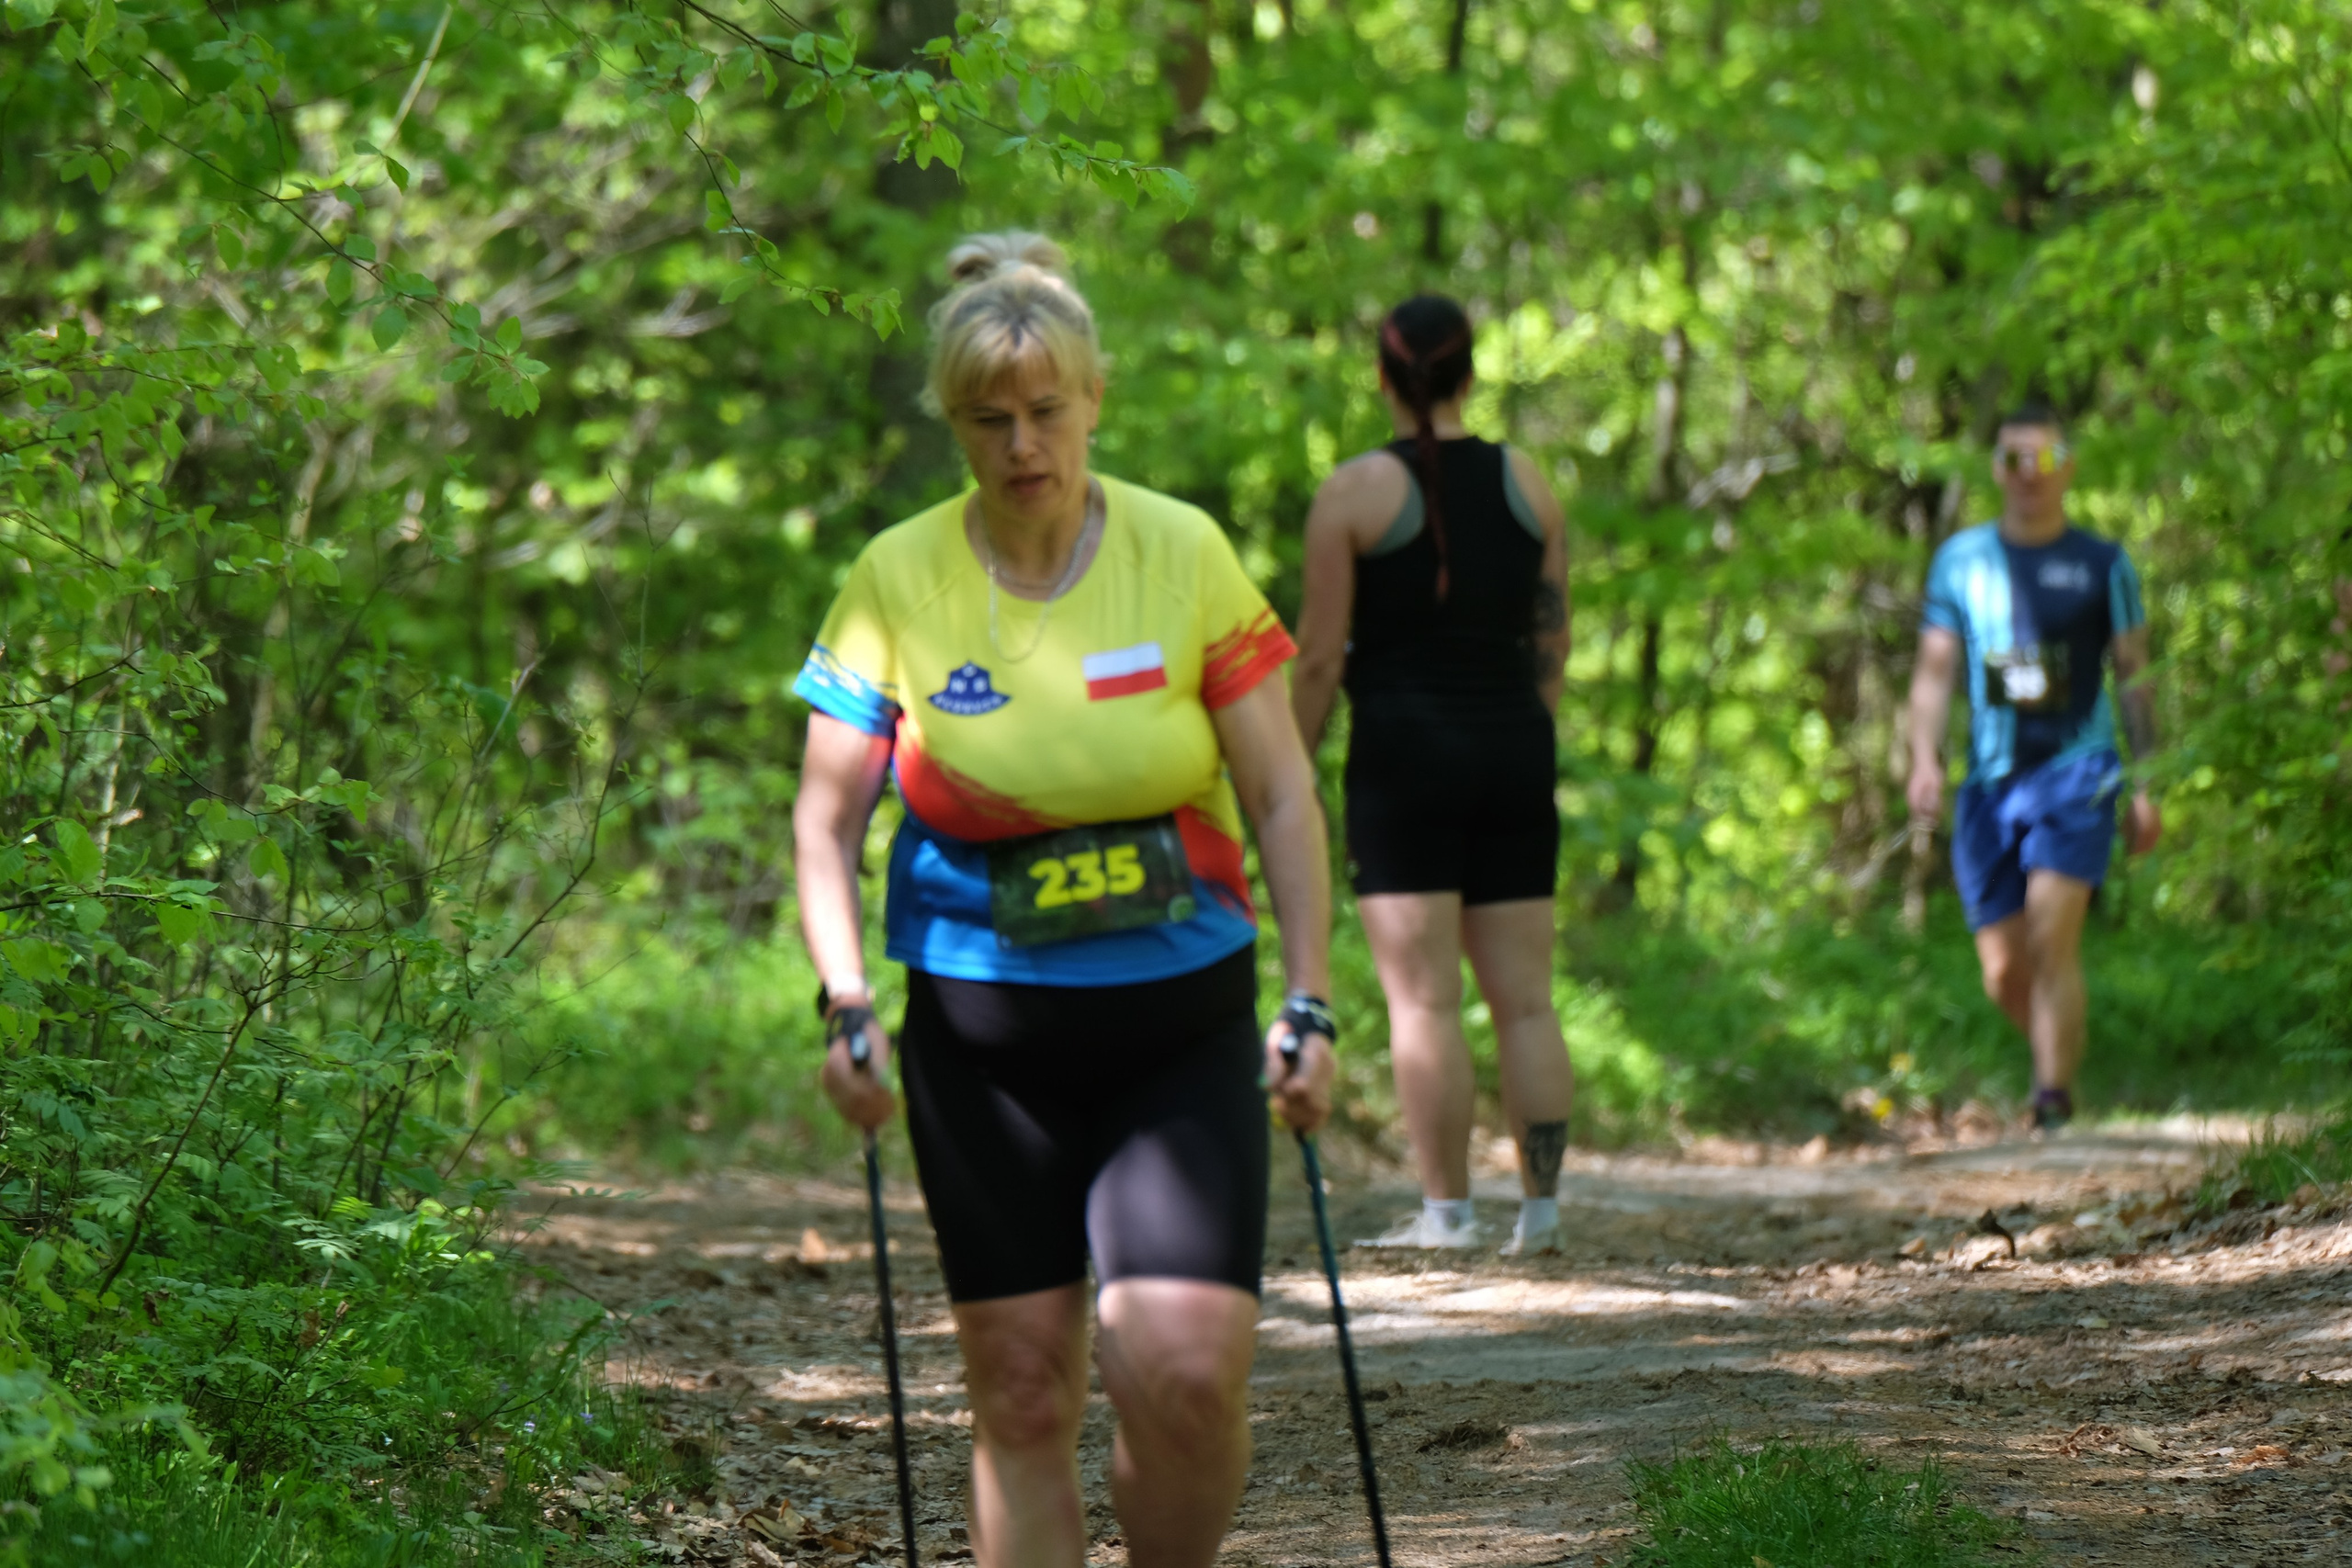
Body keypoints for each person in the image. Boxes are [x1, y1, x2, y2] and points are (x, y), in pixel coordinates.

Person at [790, 231, 1338, 1568]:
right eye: (989, 418)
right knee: (1025, 1390)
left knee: (1189, 1371)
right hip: (984, 1044)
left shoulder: (1182, 551)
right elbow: (824, 816)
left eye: (1046, 411)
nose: (1022, 442)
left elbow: (1277, 791)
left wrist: (1312, 997)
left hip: (1180, 1023)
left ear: (1095, 400)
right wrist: (845, 998)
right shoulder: (898, 577)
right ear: (953, 423)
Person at [1289, 294, 1577, 1256]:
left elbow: (1321, 658)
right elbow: (1550, 640)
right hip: (1513, 756)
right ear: (1468, 374)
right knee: (1526, 1000)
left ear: (1383, 374)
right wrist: (1524, 735)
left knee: (1424, 1002)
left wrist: (1286, 770)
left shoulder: (1352, 494)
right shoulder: (1529, 485)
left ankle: (1447, 1214)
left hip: (1403, 763)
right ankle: (1539, 1214)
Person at [1905, 402, 2162, 1132]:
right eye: (2014, 459)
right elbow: (1932, 669)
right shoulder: (1962, 560)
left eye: (2043, 459)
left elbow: (2135, 674)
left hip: (2079, 772)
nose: (2029, 474)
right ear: (1997, 469)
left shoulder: (2102, 564)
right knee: (2005, 971)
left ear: (2066, 468)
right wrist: (1922, 757)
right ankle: (2060, 1055)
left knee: (2053, 937)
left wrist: (2149, 783)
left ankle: (2051, 1100)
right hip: (1989, 781)